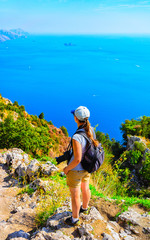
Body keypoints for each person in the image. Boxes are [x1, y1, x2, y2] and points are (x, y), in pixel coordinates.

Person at [63, 106, 99, 226]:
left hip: (76, 170)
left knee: (75, 195)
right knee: (86, 188)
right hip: (87, 167)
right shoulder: (91, 130)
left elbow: (77, 158)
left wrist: (67, 168)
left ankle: (74, 219)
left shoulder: (76, 137)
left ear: (76, 118)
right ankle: (84, 208)